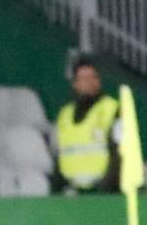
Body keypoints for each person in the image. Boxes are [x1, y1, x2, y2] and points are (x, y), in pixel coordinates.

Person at [52, 55, 122, 194]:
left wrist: (108, 186)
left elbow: (119, 151)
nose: (89, 82)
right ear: (75, 84)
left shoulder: (112, 108)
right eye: (84, 79)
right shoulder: (65, 114)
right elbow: (60, 153)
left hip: (103, 191)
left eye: (93, 77)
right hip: (73, 193)